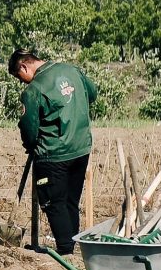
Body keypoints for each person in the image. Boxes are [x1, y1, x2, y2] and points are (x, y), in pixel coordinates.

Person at [12, 49, 97, 253]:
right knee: (70, 201)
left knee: (53, 202)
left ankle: (65, 251)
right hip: (81, 148)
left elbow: (29, 127)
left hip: (53, 153)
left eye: (19, 76)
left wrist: (30, 145)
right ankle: (72, 247)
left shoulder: (34, 89)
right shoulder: (72, 70)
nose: (22, 81)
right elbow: (92, 95)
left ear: (24, 66)